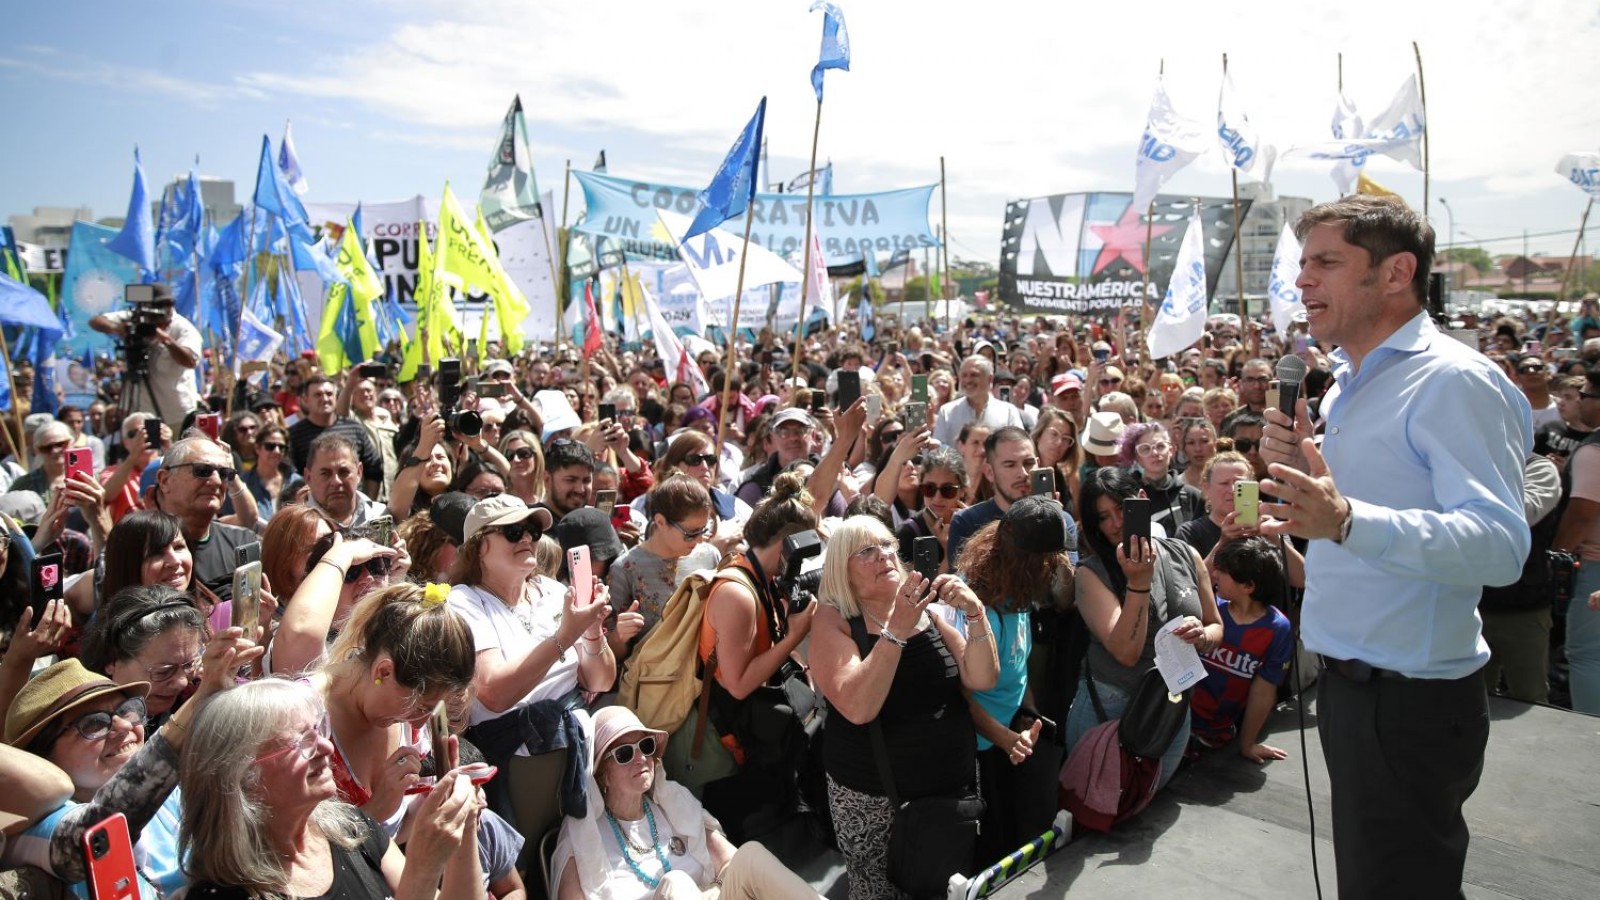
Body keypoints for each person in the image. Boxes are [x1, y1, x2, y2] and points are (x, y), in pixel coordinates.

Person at [1258, 195, 1530, 898]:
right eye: (1304, 263)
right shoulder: (1349, 384)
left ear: (1396, 273)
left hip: (1409, 703)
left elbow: (1501, 546)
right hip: (1354, 689)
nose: (1303, 280)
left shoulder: (1453, 381)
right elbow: (1367, 515)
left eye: (1326, 262)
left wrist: (1347, 519)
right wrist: (1313, 485)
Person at [808, 515, 997, 900]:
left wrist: (975, 612)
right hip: (879, 807)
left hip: (949, 796)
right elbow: (858, 707)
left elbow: (982, 678)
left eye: (887, 545)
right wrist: (896, 629)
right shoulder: (834, 620)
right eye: (867, 551)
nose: (884, 555)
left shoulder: (926, 612)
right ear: (842, 569)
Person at [3, 629, 258, 898]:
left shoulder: (176, 789)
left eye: (128, 710)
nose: (125, 726)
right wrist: (201, 697)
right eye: (94, 723)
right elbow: (96, 832)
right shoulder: (41, 826)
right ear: (44, 757)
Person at [178, 678, 484, 899]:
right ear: (243, 777)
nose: (325, 747)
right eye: (302, 742)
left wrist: (464, 820)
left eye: (318, 730)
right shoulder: (225, 893)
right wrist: (423, 869)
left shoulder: (350, 829)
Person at [552, 705, 821, 900]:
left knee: (749, 856)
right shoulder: (584, 834)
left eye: (645, 746)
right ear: (602, 774)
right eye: (624, 753)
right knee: (676, 883)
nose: (641, 758)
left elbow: (728, 863)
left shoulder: (671, 803)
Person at [1067, 466, 1221, 790]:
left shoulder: (1186, 555)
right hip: (1111, 705)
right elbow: (1126, 653)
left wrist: (1203, 636)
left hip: (1172, 704)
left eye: (1121, 509)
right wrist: (1139, 582)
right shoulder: (1090, 573)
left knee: (1149, 803)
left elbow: (1216, 625)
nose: (1115, 523)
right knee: (1098, 807)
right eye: (1103, 517)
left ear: (1140, 500)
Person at [692, 472, 819, 838]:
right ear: (789, 543)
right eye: (808, 545)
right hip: (727, 750)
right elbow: (738, 684)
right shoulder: (738, 593)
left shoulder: (763, 578)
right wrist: (794, 636)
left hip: (754, 739)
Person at [953, 497, 1074, 865]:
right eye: (1045, 561)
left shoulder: (1018, 590)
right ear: (1023, 561)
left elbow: (1018, 665)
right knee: (990, 849)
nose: (1052, 567)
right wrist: (1006, 739)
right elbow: (959, 696)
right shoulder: (973, 606)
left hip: (1010, 741)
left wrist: (1028, 713)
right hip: (980, 750)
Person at [1188, 537, 1294, 763]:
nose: (1214, 574)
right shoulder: (1209, 609)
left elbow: (1263, 691)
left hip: (1219, 735)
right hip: (1177, 725)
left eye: (1223, 571)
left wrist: (1247, 745)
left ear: (1248, 586)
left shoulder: (1277, 629)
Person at [606, 476, 722, 661]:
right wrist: (618, 637)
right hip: (653, 675)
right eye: (691, 533)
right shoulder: (626, 569)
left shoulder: (711, 556)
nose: (700, 540)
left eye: (704, 529)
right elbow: (611, 655)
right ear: (660, 521)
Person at [947, 426, 1078, 568]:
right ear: (990, 472)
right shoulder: (967, 522)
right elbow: (963, 578)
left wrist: (1053, 526)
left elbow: (1068, 577)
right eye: (1010, 465)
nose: (1022, 473)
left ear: (1038, 465)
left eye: (1028, 463)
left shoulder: (1063, 520)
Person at [78, 585, 209, 727]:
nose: (181, 683)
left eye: (189, 665)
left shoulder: (199, 700)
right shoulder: (84, 726)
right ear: (112, 661)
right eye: (164, 671)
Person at [153, 436, 257, 603]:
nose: (216, 481)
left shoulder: (243, 542)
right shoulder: (140, 546)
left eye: (224, 474)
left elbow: (251, 610)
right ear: (165, 480)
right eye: (202, 471)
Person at [89, 283, 202, 428]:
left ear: (170, 306)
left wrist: (166, 340)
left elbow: (190, 361)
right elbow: (95, 321)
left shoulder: (183, 329)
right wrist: (119, 328)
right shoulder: (137, 318)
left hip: (175, 415)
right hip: (141, 412)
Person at [286, 374, 384, 497]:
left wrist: (368, 501)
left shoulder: (354, 428)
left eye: (329, 394)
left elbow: (374, 468)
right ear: (305, 400)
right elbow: (290, 476)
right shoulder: (294, 435)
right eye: (318, 395)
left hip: (352, 504)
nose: (325, 399)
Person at [1116, 421, 1205, 534]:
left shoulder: (1193, 496)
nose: (1154, 453)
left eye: (1160, 446)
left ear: (1171, 451)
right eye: (1145, 449)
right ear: (1136, 457)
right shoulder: (1128, 497)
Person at [931, 356, 1023, 447]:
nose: (968, 380)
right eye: (964, 375)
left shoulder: (1008, 411)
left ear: (990, 379)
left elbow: (1019, 446)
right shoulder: (947, 412)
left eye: (974, 375)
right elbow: (939, 450)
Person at [305, 432, 388, 530]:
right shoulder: (296, 527)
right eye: (325, 473)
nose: (336, 482)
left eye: (344, 472)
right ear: (308, 477)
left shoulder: (380, 516)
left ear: (359, 472)